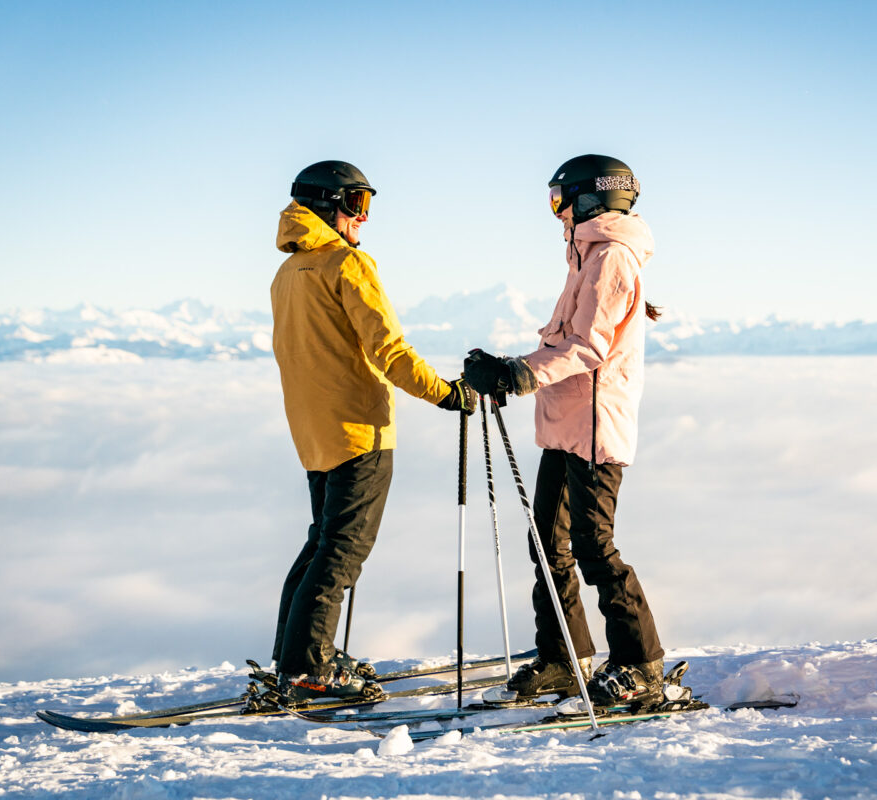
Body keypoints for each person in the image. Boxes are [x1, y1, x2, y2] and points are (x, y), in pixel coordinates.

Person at [269, 160, 474, 705]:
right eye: (357, 204)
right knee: (342, 552)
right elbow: (389, 350)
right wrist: (448, 393)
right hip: (360, 430)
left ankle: (293, 654)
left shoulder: (289, 273)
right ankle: (307, 667)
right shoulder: (346, 264)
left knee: (321, 543)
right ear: (328, 205)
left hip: (314, 433)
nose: (364, 218)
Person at [464, 154, 666, 707]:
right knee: (548, 543)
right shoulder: (586, 256)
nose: (555, 211)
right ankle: (563, 657)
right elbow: (562, 341)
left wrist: (521, 374)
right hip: (566, 423)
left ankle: (640, 666)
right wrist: (510, 367)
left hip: (597, 428)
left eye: (560, 198)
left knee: (594, 546)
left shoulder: (611, 258)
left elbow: (589, 347)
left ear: (592, 198)